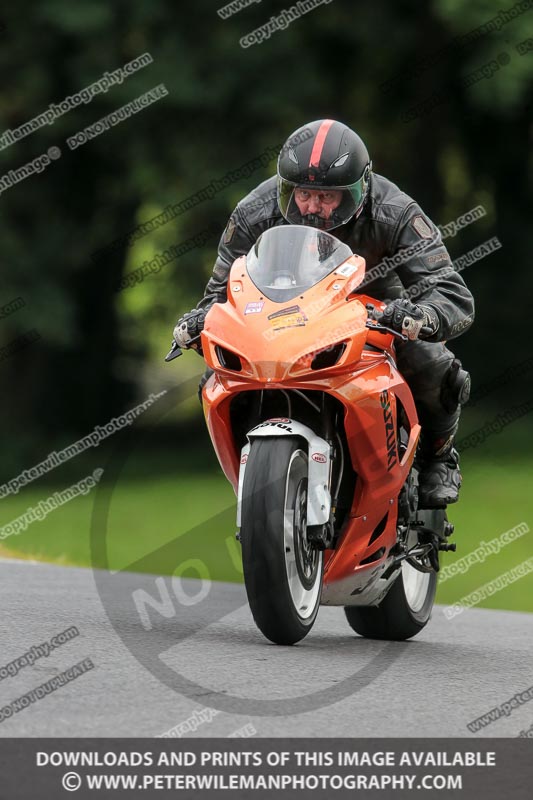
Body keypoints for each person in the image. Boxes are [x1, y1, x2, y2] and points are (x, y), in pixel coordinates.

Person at [173, 119, 474, 508]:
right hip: (281, 320)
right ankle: (255, 487)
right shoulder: (253, 212)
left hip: (374, 317)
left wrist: (422, 317)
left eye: (327, 197)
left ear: (359, 189)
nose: (312, 206)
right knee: (218, 378)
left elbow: (450, 291)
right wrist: (199, 323)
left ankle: (438, 457)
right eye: (302, 194)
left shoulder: (395, 211)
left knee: (432, 363)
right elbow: (217, 296)